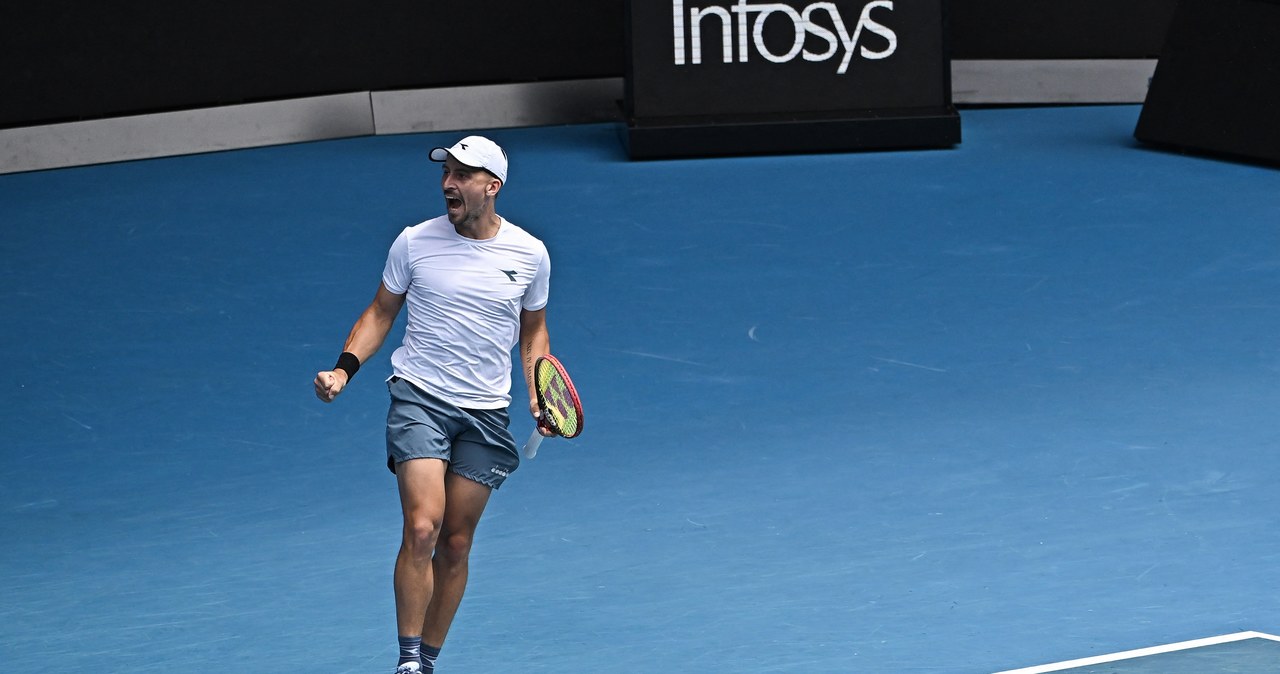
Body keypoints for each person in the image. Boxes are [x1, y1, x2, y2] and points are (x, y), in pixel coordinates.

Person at [314, 135, 552, 674]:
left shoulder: (530, 254)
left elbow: (533, 333)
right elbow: (380, 313)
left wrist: (539, 393)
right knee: (423, 527)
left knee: (456, 544)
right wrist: (343, 369)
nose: (449, 182)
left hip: (486, 412)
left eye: (464, 174)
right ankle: (406, 663)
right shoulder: (413, 242)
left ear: (492, 186)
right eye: (447, 172)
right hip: (419, 396)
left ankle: (428, 660)